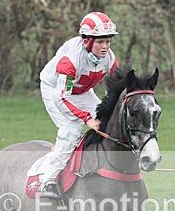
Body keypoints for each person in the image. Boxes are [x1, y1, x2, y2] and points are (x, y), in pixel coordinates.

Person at [28, 11, 119, 199]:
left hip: (82, 92)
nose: (105, 47)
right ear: (87, 41)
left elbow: (117, 89)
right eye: (100, 42)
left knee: (108, 121)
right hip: (56, 91)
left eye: (108, 41)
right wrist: (87, 119)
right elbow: (61, 98)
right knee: (72, 130)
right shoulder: (71, 60)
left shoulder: (110, 58)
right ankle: (47, 180)